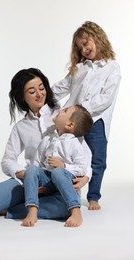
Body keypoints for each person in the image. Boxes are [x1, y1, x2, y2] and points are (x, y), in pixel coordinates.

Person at [0, 68, 88, 220]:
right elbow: (7, 160)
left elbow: (84, 150)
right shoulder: (21, 127)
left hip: (62, 182)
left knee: (66, 207)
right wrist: (26, 176)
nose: (39, 94)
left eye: (42, 88)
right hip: (31, 180)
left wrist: (86, 177)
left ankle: (12, 210)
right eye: (32, 91)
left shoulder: (62, 115)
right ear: (22, 96)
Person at [51, 21, 121, 210]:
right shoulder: (80, 68)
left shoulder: (112, 68)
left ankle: (93, 197)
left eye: (86, 43)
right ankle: (67, 191)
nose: (84, 49)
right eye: (79, 47)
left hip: (97, 121)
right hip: (72, 120)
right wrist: (46, 98)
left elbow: (106, 98)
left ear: (98, 38)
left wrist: (80, 107)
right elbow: (62, 87)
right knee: (68, 154)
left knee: (98, 160)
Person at [22, 104, 93, 227]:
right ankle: (32, 209)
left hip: (64, 185)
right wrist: (35, 183)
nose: (60, 110)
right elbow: (36, 163)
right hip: (46, 182)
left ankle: (75, 210)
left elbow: (82, 168)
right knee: (32, 169)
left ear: (69, 125)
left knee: (58, 172)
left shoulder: (75, 144)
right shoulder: (47, 140)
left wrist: (64, 166)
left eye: (65, 111)